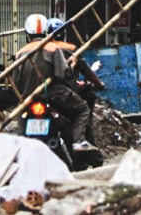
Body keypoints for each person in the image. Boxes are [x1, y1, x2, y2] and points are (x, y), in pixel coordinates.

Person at [12, 14, 96, 152]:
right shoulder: (52, 48)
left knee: (20, 110)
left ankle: (20, 144)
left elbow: (16, 82)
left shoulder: (20, 53)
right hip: (53, 94)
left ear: (27, 33)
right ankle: (78, 141)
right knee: (83, 109)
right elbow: (61, 74)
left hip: (28, 97)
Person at [47, 18, 105, 146]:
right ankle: (80, 141)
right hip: (64, 94)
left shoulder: (42, 49)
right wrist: (99, 84)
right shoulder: (71, 49)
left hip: (41, 93)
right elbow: (87, 71)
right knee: (83, 111)